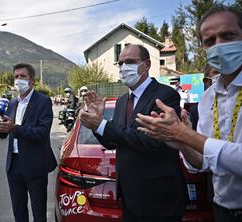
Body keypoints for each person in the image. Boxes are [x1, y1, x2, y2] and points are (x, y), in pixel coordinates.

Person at [136, 6, 242, 222]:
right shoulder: (208, 98)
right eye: (210, 41)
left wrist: (187, 136)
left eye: (228, 35)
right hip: (222, 210)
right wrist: (181, 141)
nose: (219, 45)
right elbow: (202, 162)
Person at [80, 44, 187, 222]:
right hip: (129, 197)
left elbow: (151, 142)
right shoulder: (122, 101)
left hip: (159, 198)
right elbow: (113, 141)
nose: (123, 67)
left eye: (129, 62)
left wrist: (102, 125)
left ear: (146, 65)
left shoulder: (165, 96)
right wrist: (96, 124)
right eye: (120, 63)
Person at [0, 63, 57, 222]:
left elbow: (42, 133)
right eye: (16, 77)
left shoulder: (43, 101)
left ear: (32, 80)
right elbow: (5, 133)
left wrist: (15, 127)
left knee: (38, 211)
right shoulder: (12, 103)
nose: (18, 80)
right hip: (14, 164)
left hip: (35, 164)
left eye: (22, 76)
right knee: (18, 210)